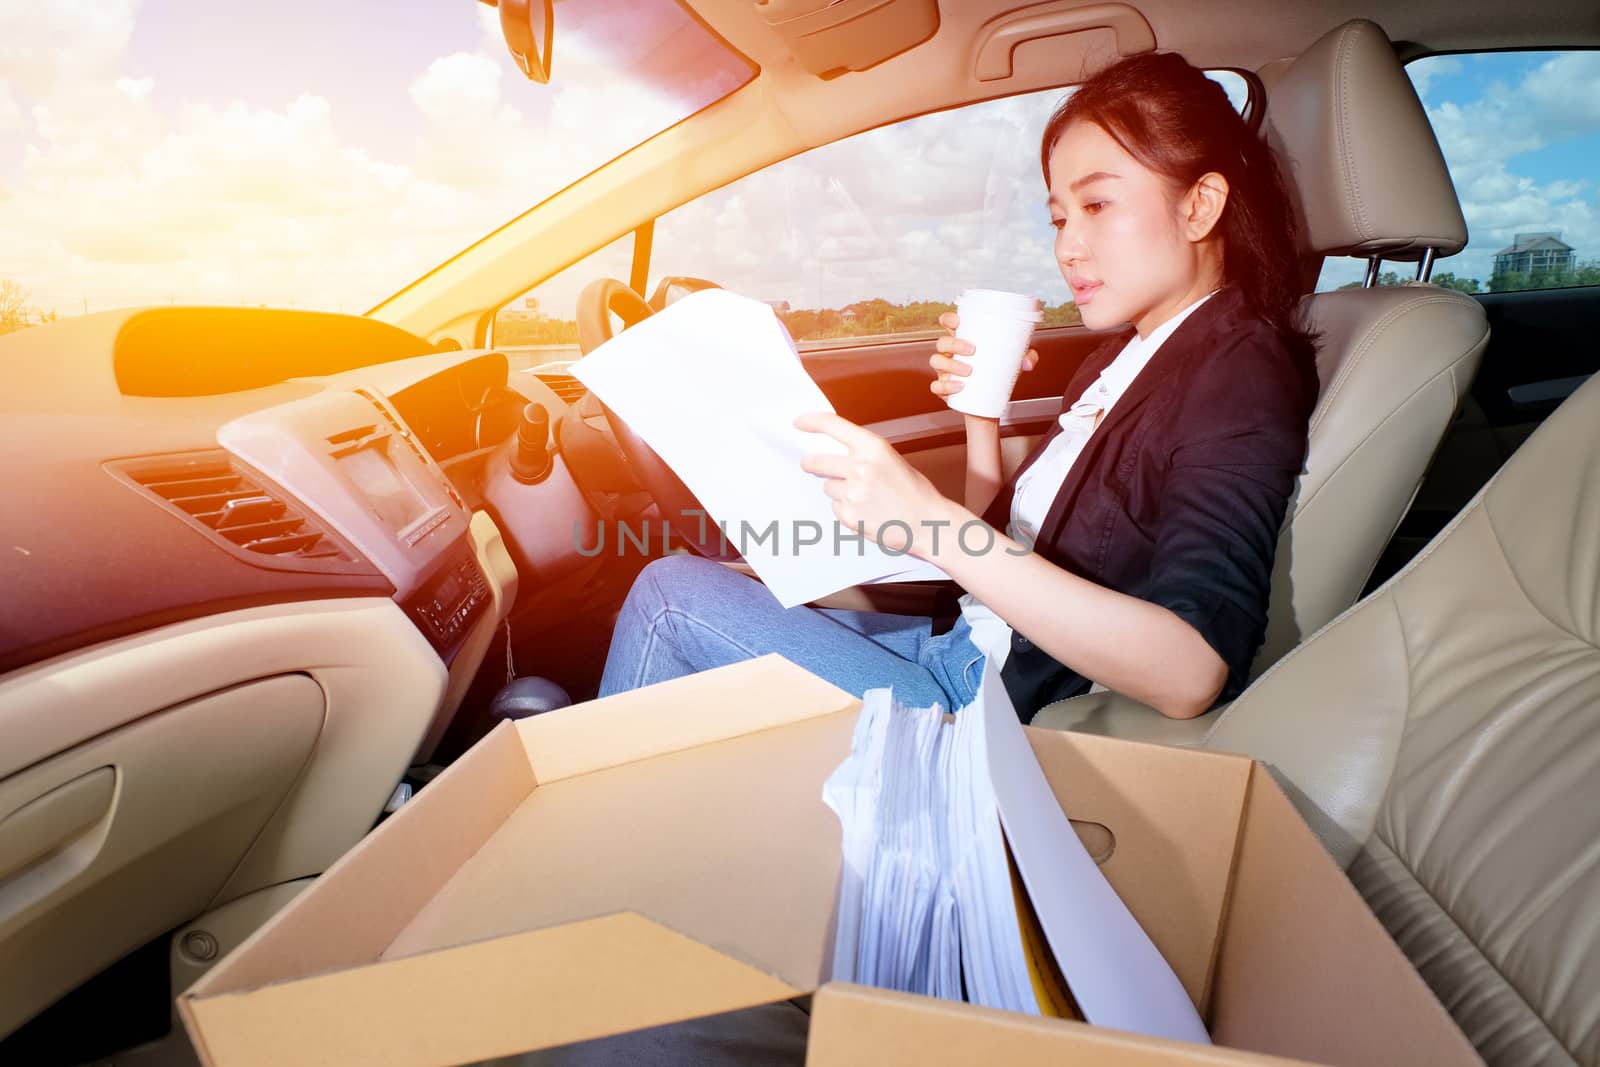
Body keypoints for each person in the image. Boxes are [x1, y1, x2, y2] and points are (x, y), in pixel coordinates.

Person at [597, 52, 1319, 724]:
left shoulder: (1240, 372)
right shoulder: (1120, 358)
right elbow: (1007, 549)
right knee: (730, 581)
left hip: (989, 706)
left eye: (1097, 206)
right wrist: (981, 412)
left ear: (1199, 206)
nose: (1067, 245)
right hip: (957, 645)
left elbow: (1193, 668)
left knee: (669, 599)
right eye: (1060, 217)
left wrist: (926, 522)